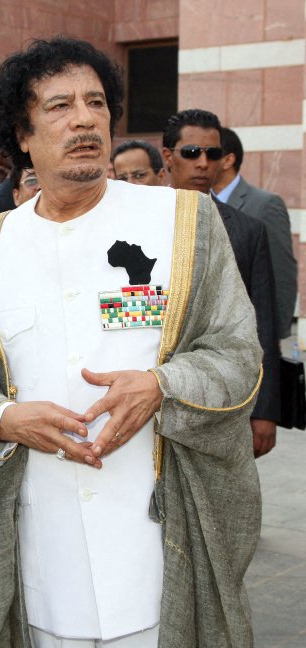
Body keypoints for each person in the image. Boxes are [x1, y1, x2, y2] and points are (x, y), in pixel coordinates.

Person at [0, 36, 262, 648]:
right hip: (36, 555)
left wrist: (163, 386)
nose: (84, 118)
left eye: (96, 103)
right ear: (21, 135)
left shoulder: (184, 222)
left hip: (161, 549)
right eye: (58, 107)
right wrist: (4, 417)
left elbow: (239, 356)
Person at [162, 108, 280, 457]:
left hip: (225, 396)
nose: (203, 163)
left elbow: (264, 323)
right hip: (150, 390)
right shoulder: (135, 219)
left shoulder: (248, 230)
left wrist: (265, 411)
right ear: (168, 156)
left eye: (212, 154)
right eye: (191, 152)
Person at [213, 126, 298, 339]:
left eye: (209, 153)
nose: (199, 162)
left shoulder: (265, 205)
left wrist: (273, 337)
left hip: (253, 337)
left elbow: (282, 275)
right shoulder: (201, 203)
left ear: (228, 160)